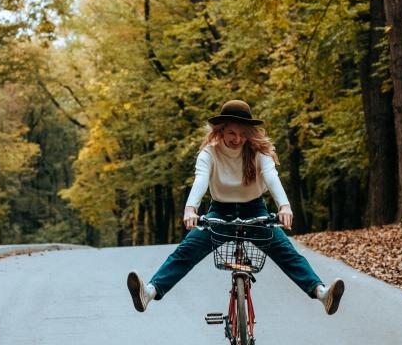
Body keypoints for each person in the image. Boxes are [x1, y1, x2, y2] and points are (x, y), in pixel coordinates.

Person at [127, 99, 344, 315]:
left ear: (250, 132)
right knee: (186, 251)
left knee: (287, 252)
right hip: (220, 212)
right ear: (220, 131)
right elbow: (201, 180)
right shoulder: (209, 153)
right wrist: (190, 209)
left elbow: (271, 177)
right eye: (231, 133)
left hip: (255, 211)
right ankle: (150, 292)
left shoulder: (260, 151)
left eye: (243, 133)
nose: (237, 139)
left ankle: (321, 293)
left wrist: (284, 206)